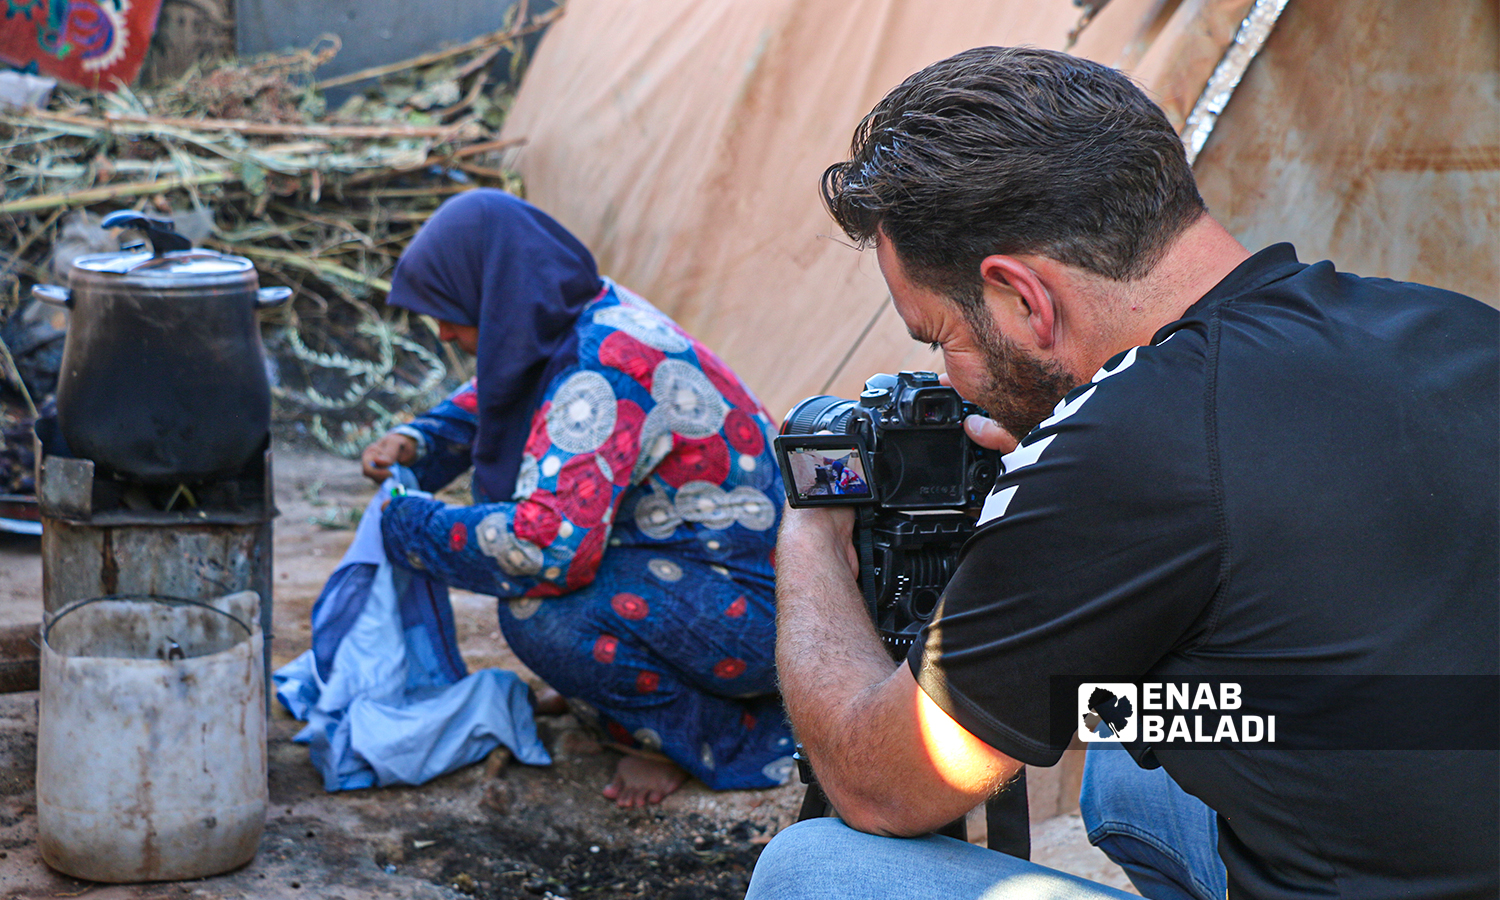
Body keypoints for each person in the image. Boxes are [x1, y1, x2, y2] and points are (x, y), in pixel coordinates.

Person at [749, 46, 1497, 899]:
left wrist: (812, 525)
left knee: (811, 873)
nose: (945, 373)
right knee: (1126, 765)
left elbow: (879, 784)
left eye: (938, 337)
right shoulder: (1453, 326)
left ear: (1024, 298)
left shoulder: (1124, 446)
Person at [362, 189, 794, 808]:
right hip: (727, 571)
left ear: (497, 297)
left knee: (544, 618)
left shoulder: (603, 368)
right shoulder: (577, 313)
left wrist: (407, 524)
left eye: (452, 313)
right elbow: (505, 390)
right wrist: (417, 441)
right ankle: (614, 694)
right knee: (565, 602)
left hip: (763, 617)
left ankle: (690, 736)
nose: (444, 332)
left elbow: (546, 548)